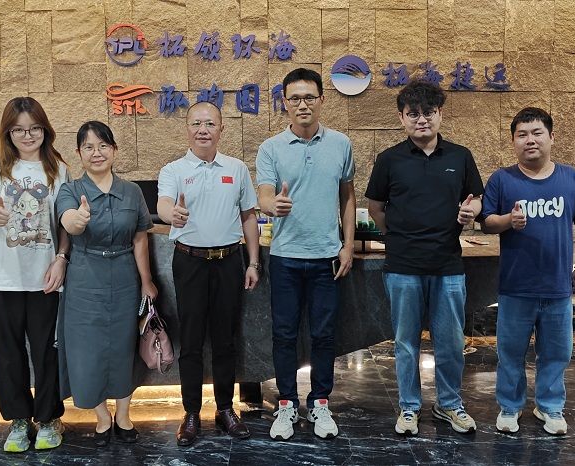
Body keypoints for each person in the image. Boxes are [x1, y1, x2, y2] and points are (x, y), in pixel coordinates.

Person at [365, 80, 483, 436]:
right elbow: (376, 208)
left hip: (448, 265)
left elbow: (476, 198)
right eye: (413, 113)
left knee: (450, 342)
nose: (421, 120)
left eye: (428, 112)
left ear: (440, 114)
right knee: (406, 343)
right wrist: (398, 237)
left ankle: (449, 404)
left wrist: (472, 211)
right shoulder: (390, 159)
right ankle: (409, 407)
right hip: (403, 267)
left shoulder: (460, 156)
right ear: (401, 118)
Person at [480, 107, 575, 435]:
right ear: (513, 141)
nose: (530, 140)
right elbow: (487, 222)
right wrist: (509, 221)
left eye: (537, 133)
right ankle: (509, 406)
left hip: (558, 286)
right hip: (515, 286)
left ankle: (550, 407)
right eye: (522, 135)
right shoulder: (502, 179)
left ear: (551, 137)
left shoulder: (572, 179)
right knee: (510, 353)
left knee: (557, 353)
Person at [256, 68, 356, 440]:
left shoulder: (341, 144)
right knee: (284, 334)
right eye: (295, 98)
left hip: (326, 257)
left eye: (309, 97)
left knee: (324, 335)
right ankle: (286, 403)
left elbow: (348, 197)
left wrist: (347, 245)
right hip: (284, 257)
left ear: (321, 100)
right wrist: (273, 205)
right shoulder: (271, 148)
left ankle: (319, 403)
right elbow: (264, 194)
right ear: (284, 103)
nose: (303, 105)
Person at [157, 101, 260, 447]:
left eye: (210, 123)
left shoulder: (237, 168)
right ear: (187, 128)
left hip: (229, 261)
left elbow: (248, 216)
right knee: (191, 340)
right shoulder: (173, 170)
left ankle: (225, 409)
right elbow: (163, 204)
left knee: (225, 339)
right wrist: (173, 214)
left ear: (221, 129)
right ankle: (190, 413)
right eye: (197, 123)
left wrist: (253, 262)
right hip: (190, 262)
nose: (203, 129)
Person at [0, 96, 69, 452]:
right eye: (19, 130)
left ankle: (49, 419)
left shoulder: (58, 170)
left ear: (45, 130)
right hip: (2, 278)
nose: (28, 136)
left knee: (47, 352)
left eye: (34, 128)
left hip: (46, 280)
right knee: (7, 353)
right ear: (8, 133)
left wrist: (61, 259)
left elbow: (65, 223)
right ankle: (18, 421)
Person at [57, 121, 158, 447]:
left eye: (103, 145)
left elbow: (140, 237)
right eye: (88, 147)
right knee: (87, 352)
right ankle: (102, 418)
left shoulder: (132, 191)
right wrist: (77, 220)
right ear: (79, 153)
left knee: (123, 348)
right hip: (85, 280)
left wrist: (146, 281)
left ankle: (124, 416)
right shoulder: (70, 190)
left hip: (125, 278)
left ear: (114, 150)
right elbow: (68, 221)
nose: (96, 153)